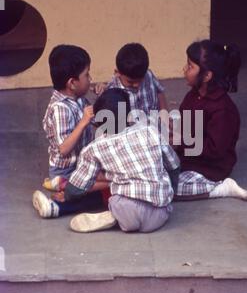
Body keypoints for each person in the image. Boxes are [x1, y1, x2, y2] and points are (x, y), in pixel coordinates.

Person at [63, 88, 180, 233]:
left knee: (114, 195)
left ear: (98, 122)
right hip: (161, 213)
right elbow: (174, 166)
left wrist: (67, 194)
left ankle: (114, 216)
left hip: (127, 212)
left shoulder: (95, 148)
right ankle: (122, 216)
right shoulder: (151, 131)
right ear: (129, 115)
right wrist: (172, 191)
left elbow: (75, 190)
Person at [32, 44, 104, 217]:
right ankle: (65, 188)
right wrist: (83, 122)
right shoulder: (60, 108)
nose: (90, 78)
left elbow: (98, 120)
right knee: (112, 181)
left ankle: (66, 191)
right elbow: (63, 149)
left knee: (109, 178)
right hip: (68, 170)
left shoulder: (77, 99)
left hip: (83, 163)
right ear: (72, 83)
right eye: (86, 75)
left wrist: (103, 96)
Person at [177, 40, 241, 182]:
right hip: (188, 157)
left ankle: (220, 189)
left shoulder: (223, 110)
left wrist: (180, 142)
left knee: (168, 187)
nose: (184, 69)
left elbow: (215, 150)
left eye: (190, 66)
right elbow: (186, 127)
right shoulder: (193, 95)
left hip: (211, 168)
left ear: (207, 76)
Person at [105, 43, 168, 115]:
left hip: (154, 123)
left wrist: (164, 112)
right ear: (117, 73)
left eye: (140, 80)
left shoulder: (149, 75)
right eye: (130, 82)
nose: (136, 85)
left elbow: (159, 92)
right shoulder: (112, 91)